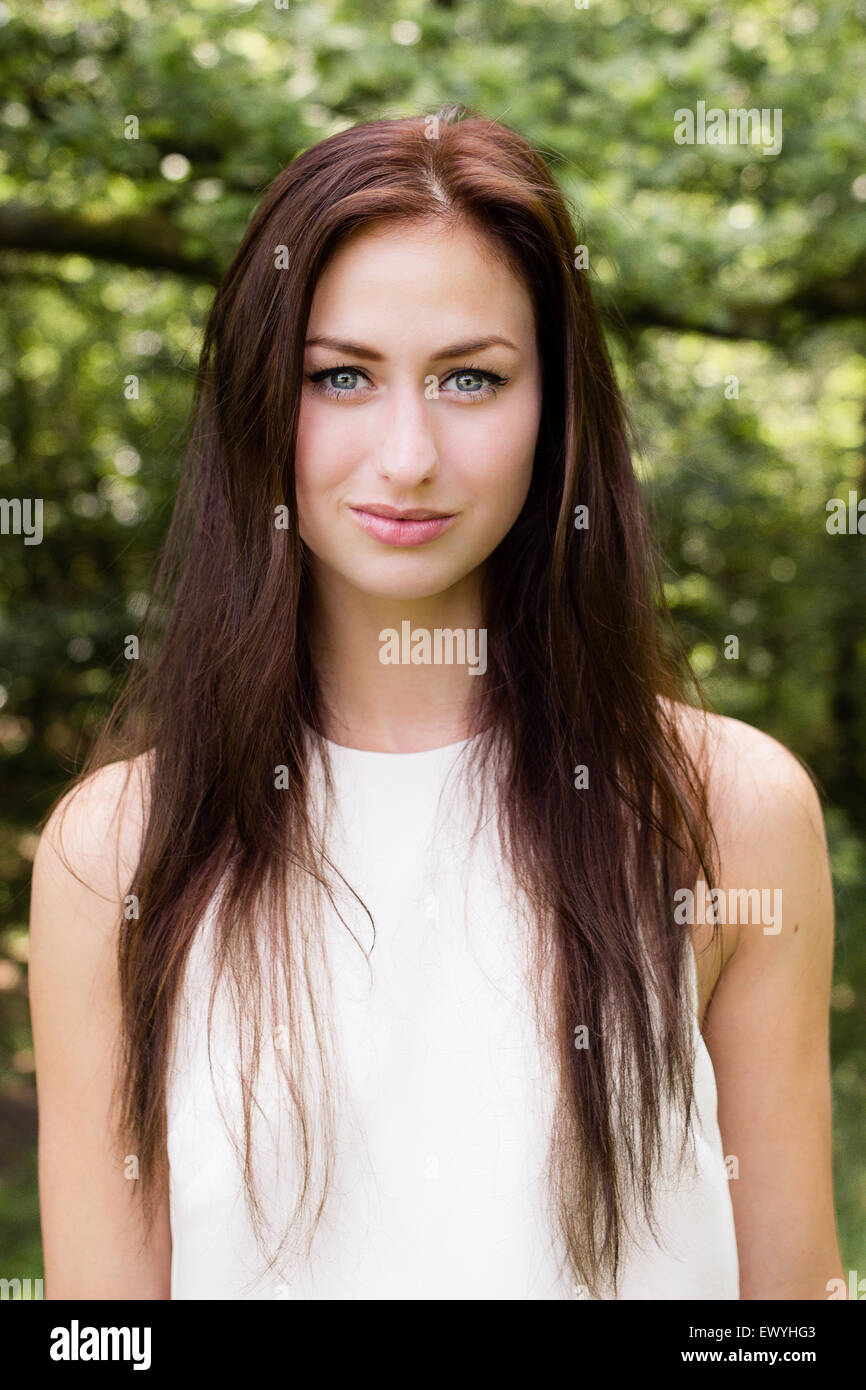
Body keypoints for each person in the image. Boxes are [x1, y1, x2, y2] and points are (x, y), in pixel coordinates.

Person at [29, 104, 843, 1299]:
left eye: (469, 377)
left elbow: (789, 1310)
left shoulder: (723, 809)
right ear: (260, 402)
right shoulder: (116, 852)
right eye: (341, 377)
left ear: (552, 412)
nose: (406, 453)